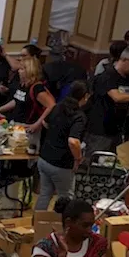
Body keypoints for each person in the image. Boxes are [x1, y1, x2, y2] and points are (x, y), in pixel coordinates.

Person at [85, 47, 129, 153]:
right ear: (124, 59)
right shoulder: (107, 76)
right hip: (100, 129)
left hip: (116, 129)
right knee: (94, 159)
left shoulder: (127, 78)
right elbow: (117, 97)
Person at [35, 81, 89, 210]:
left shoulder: (57, 107)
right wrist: (78, 158)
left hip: (44, 158)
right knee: (66, 197)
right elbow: (73, 141)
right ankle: (65, 226)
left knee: (45, 194)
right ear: (85, 96)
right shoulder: (79, 116)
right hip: (61, 164)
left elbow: (45, 123)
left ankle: (37, 224)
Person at [0, 57, 55, 130]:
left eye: (21, 69)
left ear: (29, 71)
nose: (19, 71)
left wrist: (36, 125)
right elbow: (17, 100)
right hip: (17, 123)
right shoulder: (23, 84)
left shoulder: (37, 88)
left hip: (28, 126)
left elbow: (51, 105)